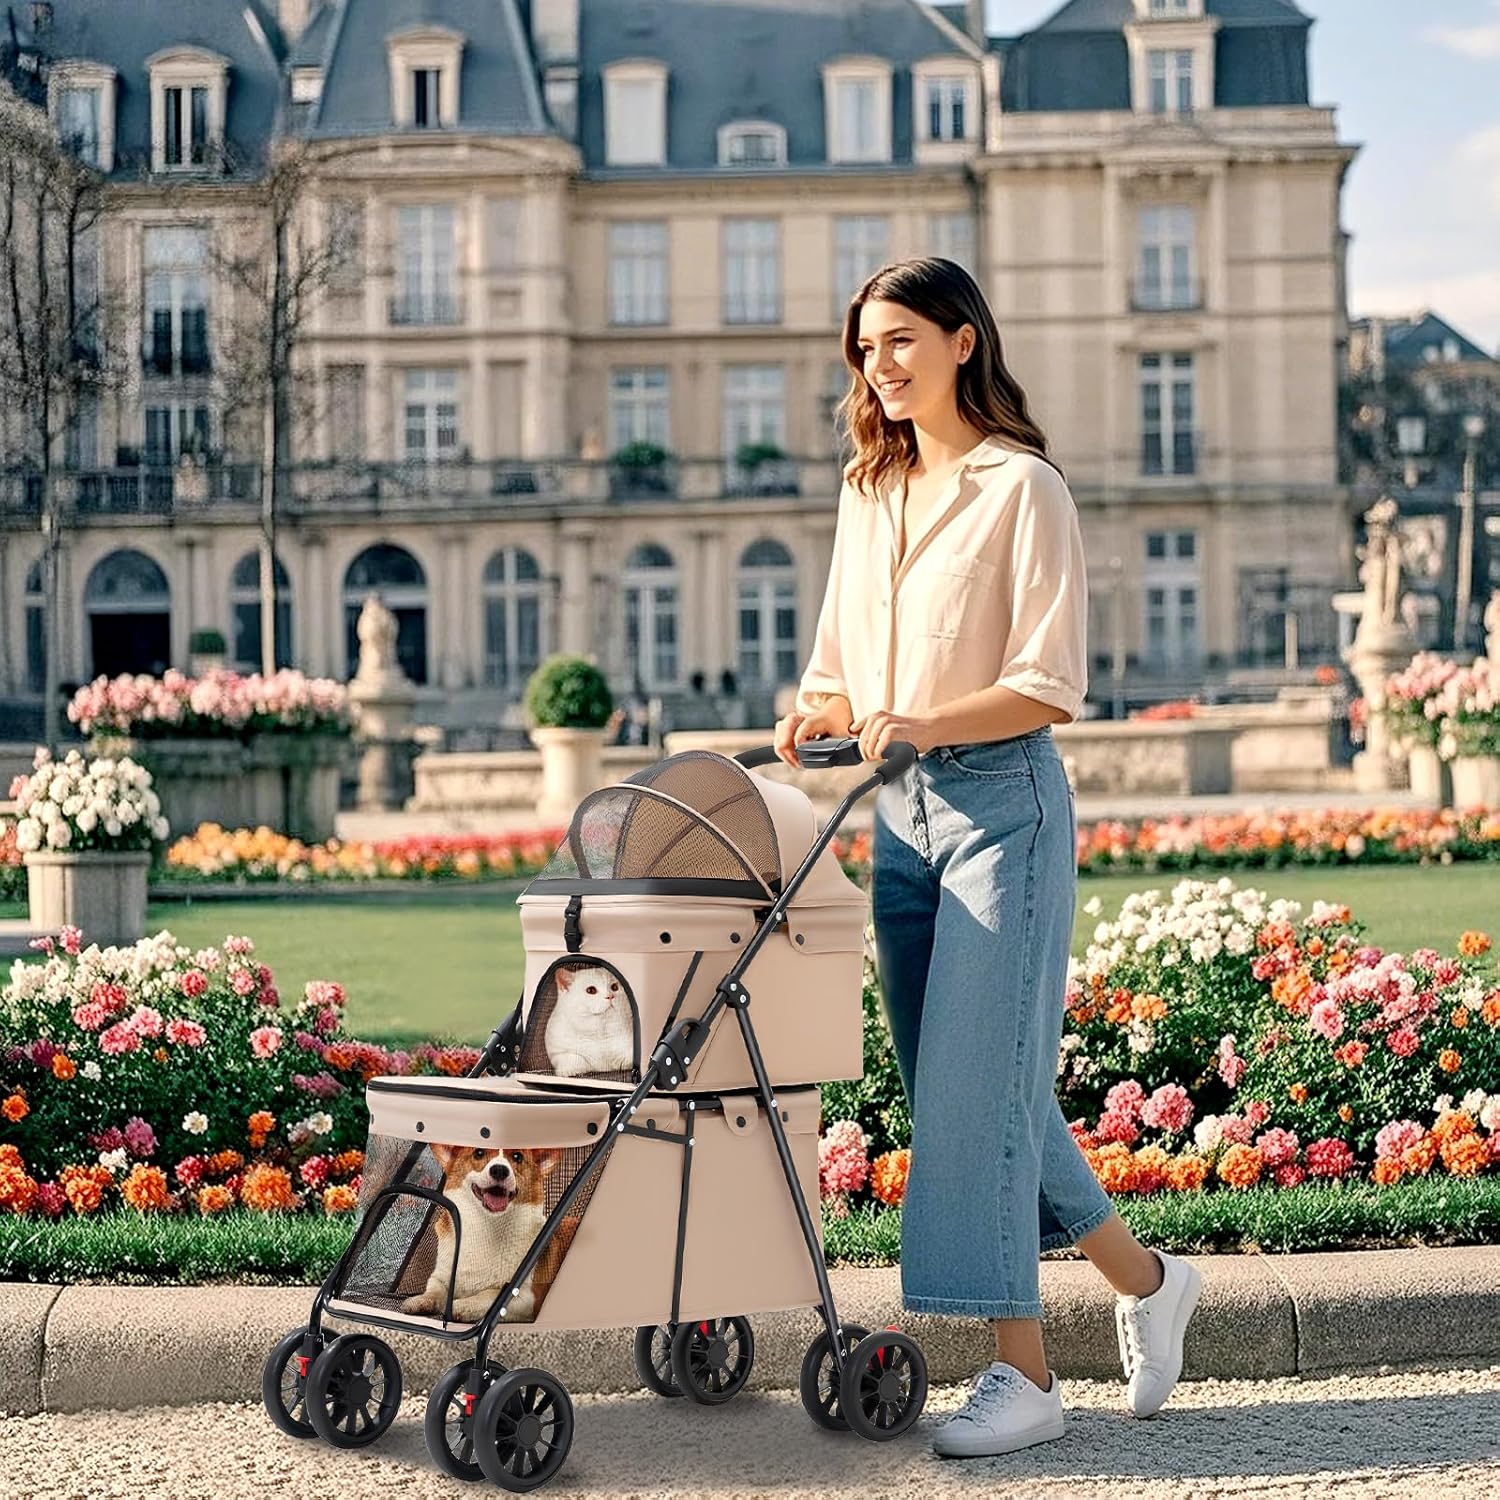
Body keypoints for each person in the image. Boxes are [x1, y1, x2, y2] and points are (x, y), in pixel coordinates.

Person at [774, 258, 1201, 1459]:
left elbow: (1046, 684)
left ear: (965, 341)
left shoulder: (1025, 488)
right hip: (895, 813)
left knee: (973, 1089)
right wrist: (818, 708)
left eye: (902, 339)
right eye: (865, 348)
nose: (882, 366)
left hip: (1003, 805)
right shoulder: (873, 486)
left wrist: (925, 723)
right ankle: (1149, 1281)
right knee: (965, 1084)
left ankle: (1024, 1376)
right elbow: (842, 651)